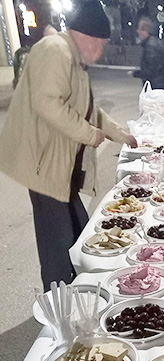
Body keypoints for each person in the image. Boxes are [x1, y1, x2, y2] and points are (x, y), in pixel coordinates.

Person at [0, 0, 137, 291]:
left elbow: (89, 110)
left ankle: (79, 289)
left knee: (79, 231)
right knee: (58, 244)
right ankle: (61, 303)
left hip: (61, 164)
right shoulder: (56, 51)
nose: (100, 53)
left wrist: (120, 134)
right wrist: (89, 134)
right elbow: (46, 103)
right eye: (101, 45)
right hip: (44, 165)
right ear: (88, 38)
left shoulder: (73, 60)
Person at [137, 17, 164, 90]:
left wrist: (136, 73)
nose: (137, 31)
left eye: (139, 29)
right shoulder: (158, 42)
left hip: (153, 86)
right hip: (161, 84)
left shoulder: (150, 46)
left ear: (145, 31)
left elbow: (150, 70)